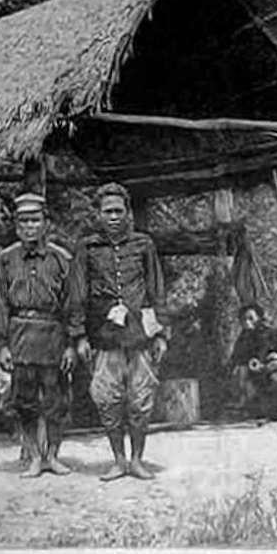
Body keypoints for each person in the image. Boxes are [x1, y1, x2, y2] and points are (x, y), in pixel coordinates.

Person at [69, 183, 169, 481]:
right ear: (98, 215)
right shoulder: (86, 248)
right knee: (107, 400)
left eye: (118, 211)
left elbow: (157, 290)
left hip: (139, 337)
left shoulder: (143, 245)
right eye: (107, 211)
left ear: (127, 213)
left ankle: (137, 459)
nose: (113, 217)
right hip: (104, 337)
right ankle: (118, 460)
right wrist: (79, 336)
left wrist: (162, 334)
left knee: (140, 400)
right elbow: (77, 294)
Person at [0, 193, 77, 478]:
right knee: (24, 400)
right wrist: (2, 344)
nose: (30, 226)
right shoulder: (5, 260)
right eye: (24, 221)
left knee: (55, 399)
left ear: (46, 223)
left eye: (35, 220)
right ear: (16, 226)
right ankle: (33, 456)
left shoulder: (62, 259)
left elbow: (72, 305)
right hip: (20, 337)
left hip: (53, 335)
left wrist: (71, 344)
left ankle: (53, 455)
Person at [229, 304, 277, 420]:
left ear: (259, 318)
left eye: (251, 318)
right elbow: (238, 358)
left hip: (275, 370)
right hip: (253, 375)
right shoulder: (243, 338)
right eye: (244, 319)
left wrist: (271, 363)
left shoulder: (272, 334)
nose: (247, 322)